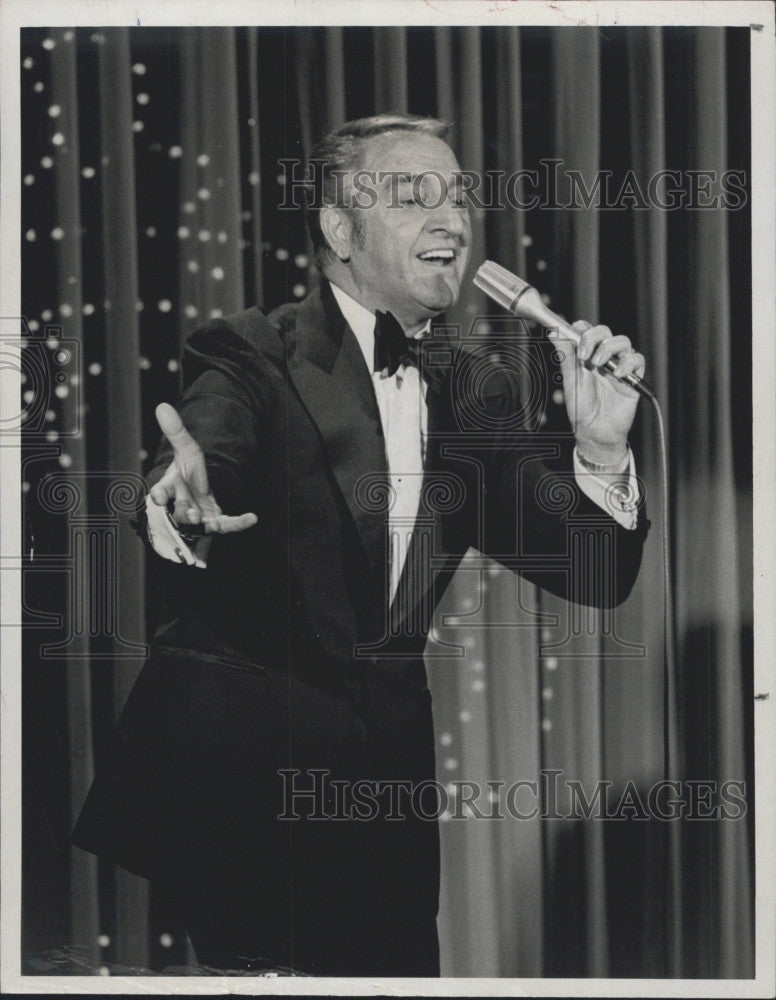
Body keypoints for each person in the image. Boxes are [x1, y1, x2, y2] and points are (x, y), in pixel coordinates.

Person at [72, 114, 649, 977]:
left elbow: (596, 571)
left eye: (456, 197)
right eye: (415, 196)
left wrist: (602, 452)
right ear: (340, 230)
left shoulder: (472, 390)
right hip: (245, 785)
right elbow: (205, 450)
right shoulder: (254, 350)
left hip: (384, 802)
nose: (451, 219)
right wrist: (177, 499)